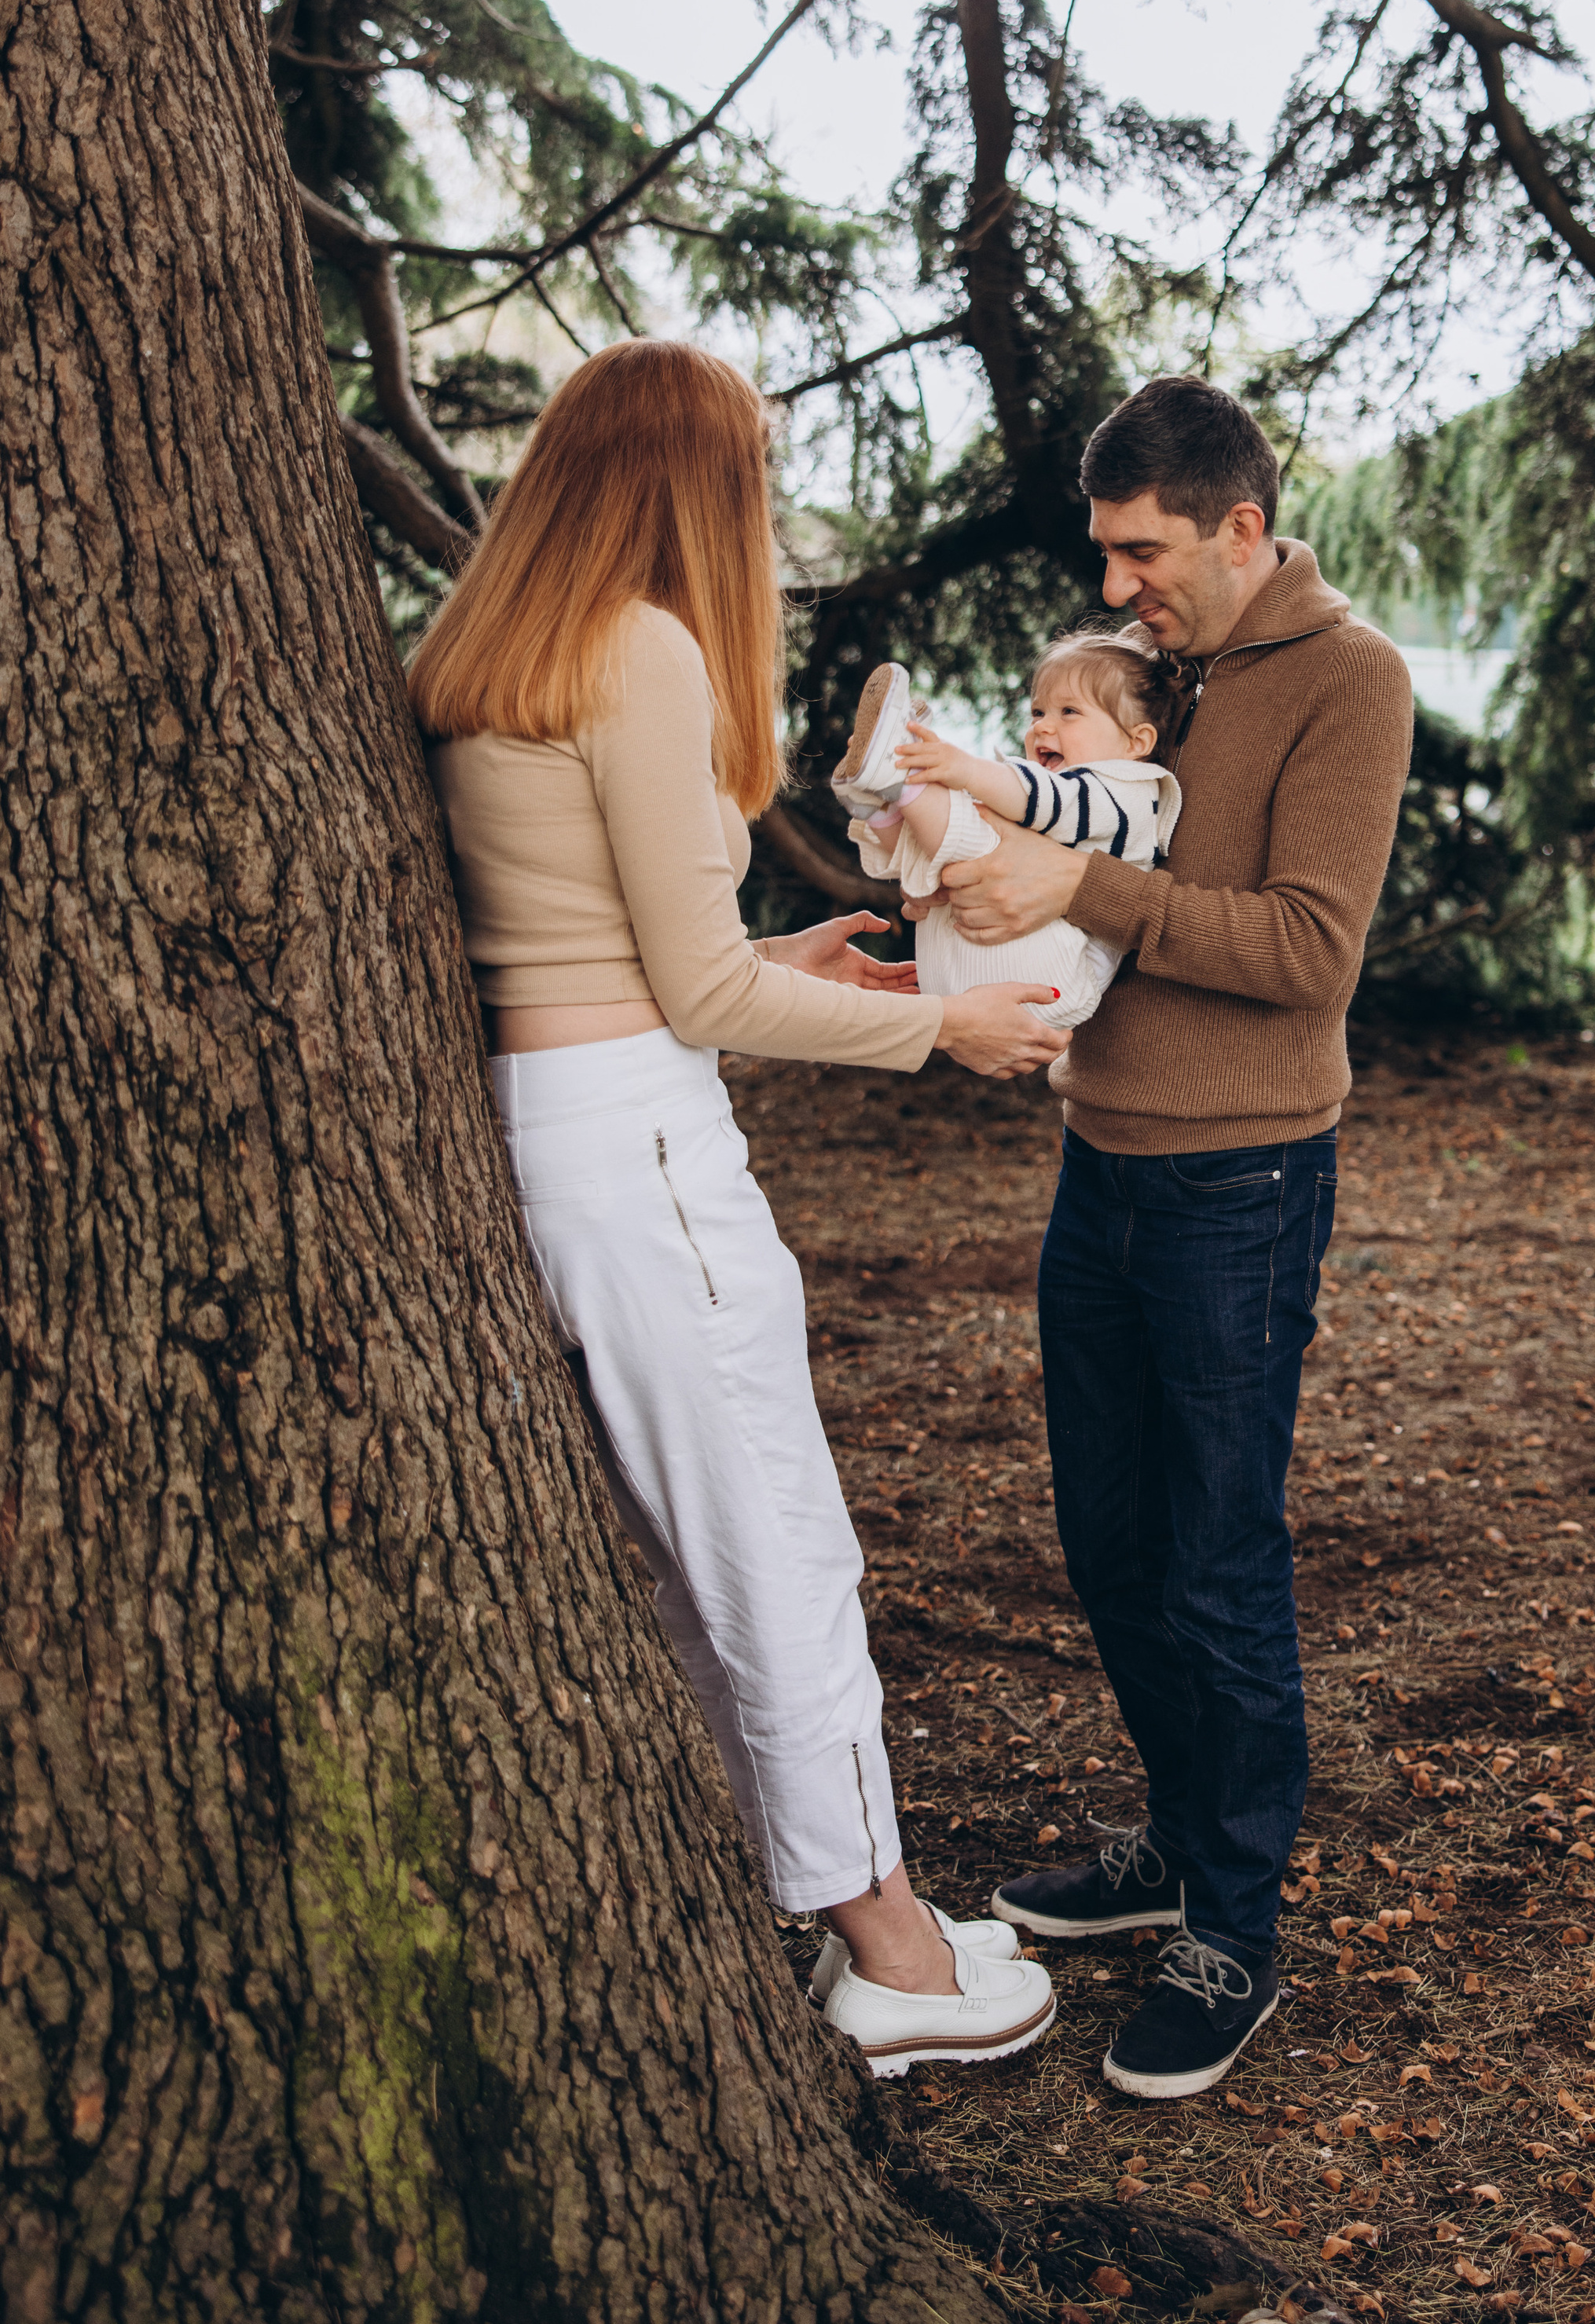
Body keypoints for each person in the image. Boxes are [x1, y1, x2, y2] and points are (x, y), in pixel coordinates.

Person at [409, 336, 1065, 2077]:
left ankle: (816, 1886)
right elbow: (695, 1003)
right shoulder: (637, 651)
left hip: (560, 1114)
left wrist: (782, 953)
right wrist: (946, 1024)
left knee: (710, 1547)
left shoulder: (498, 651)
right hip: (640, 1148)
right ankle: (892, 1948)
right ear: (692, 481)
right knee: (774, 1540)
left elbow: (599, 943)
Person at [970, 376, 1415, 2100]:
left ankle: (1231, 1913)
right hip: (1099, 1163)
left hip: (1241, 1182)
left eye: (1141, 551)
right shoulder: (1166, 672)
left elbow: (1305, 949)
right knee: (1106, 1536)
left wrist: (1072, 885)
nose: (1113, 589)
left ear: (1240, 524)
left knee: (1218, 1562)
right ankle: (1171, 1830)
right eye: (1103, 552)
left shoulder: (1347, 679)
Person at [831, 631, 1182, 1030]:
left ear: (1137, 742)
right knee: (956, 844)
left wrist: (963, 767)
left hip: (1055, 979)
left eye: (1069, 712)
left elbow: (1047, 799)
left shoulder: (1128, 791)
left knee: (982, 832)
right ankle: (880, 802)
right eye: (1038, 713)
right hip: (970, 973)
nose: (1043, 727)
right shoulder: (1058, 787)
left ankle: (900, 775)